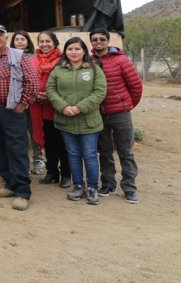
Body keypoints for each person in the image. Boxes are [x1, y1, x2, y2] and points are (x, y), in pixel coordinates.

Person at [0, 24, 38, 211]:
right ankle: (10, 184)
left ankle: (23, 191)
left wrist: (23, 103)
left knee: (17, 149)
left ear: (6, 38)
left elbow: (32, 82)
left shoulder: (18, 56)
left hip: (12, 111)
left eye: (0, 35)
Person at [47, 37, 107, 205]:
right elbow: (51, 90)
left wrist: (79, 107)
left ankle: (93, 188)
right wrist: (63, 106)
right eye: (70, 49)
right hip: (66, 121)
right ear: (65, 52)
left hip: (89, 121)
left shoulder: (94, 69)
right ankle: (78, 186)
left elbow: (100, 92)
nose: (73, 52)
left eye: (77, 49)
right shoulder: (58, 70)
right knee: (73, 155)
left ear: (84, 52)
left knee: (89, 155)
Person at [90, 28, 143, 204]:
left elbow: (136, 87)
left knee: (125, 151)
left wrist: (125, 105)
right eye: (95, 39)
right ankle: (108, 184)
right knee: (104, 152)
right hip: (99, 115)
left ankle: (129, 187)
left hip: (121, 114)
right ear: (91, 42)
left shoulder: (121, 60)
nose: (98, 42)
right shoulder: (89, 61)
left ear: (107, 40)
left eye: (102, 39)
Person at [31, 31, 71, 188]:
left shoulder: (63, 61)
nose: (44, 44)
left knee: (62, 143)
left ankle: (66, 174)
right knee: (49, 143)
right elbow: (30, 80)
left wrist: (49, 96)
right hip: (40, 109)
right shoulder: (34, 61)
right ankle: (52, 172)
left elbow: (67, 84)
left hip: (59, 109)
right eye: (41, 41)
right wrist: (36, 94)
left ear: (55, 43)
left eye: (48, 41)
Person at [10, 30, 45, 176]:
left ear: (27, 41)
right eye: (17, 39)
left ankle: (38, 160)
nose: (19, 41)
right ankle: (22, 163)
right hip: (14, 101)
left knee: (34, 132)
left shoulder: (35, 57)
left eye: (22, 39)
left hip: (33, 101)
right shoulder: (8, 56)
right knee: (19, 134)